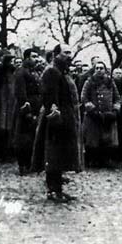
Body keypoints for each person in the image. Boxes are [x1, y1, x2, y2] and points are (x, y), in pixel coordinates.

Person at [31, 44, 83, 202]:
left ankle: (58, 188)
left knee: (60, 154)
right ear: (56, 54)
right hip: (55, 119)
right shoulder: (52, 71)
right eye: (66, 53)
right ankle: (52, 190)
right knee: (53, 154)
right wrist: (55, 115)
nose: (70, 55)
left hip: (64, 118)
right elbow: (49, 97)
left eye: (70, 52)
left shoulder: (61, 71)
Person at [81, 61, 121, 168]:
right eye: (97, 68)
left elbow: (117, 98)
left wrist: (115, 111)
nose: (99, 70)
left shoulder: (110, 82)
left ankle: (106, 160)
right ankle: (93, 161)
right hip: (93, 116)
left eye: (101, 68)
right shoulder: (89, 82)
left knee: (107, 139)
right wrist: (92, 110)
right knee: (92, 140)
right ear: (94, 70)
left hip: (108, 115)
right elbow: (84, 98)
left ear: (105, 70)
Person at [12, 49, 42, 175]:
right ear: (27, 58)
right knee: (23, 138)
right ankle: (22, 165)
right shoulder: (21, 72)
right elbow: (21, 93)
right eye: (33, 56)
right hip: (25, 109)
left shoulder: (32, 71)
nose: (36, 59)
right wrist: (27, 111)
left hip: (35, 107)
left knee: (31, 137)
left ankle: (29, 163)